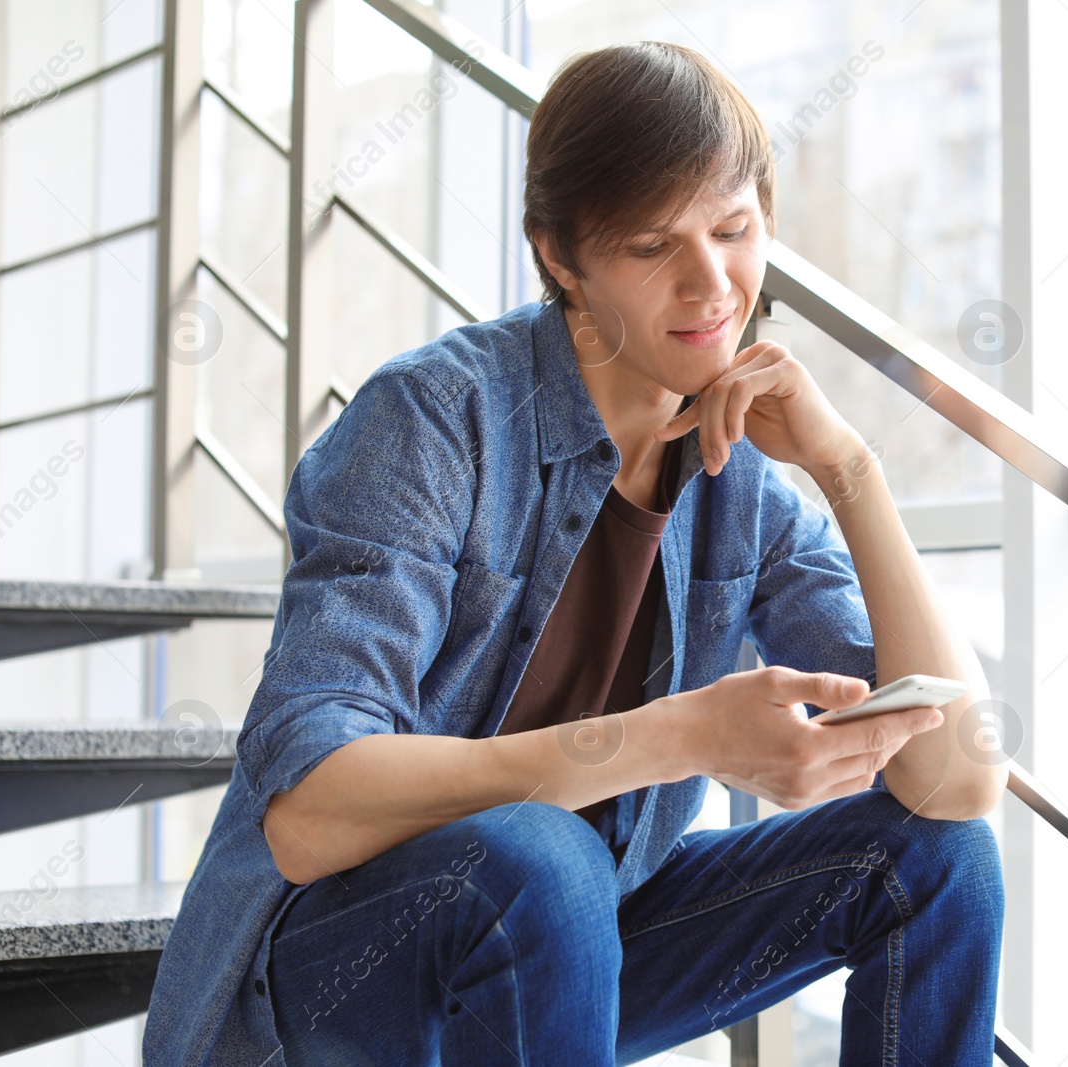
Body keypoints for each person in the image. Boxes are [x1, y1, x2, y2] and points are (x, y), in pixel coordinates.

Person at [144, 39, 1006, 1067]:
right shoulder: (432, 420)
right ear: (561, 256)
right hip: (330, 975)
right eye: (652, 246)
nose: (710, 285)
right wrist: (677, 733)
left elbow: (958, 780)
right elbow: (309, 812)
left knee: (937, 857)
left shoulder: (743, 478)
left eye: (733, 229)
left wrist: (848, 464)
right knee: (543, 852)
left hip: (567, 939)